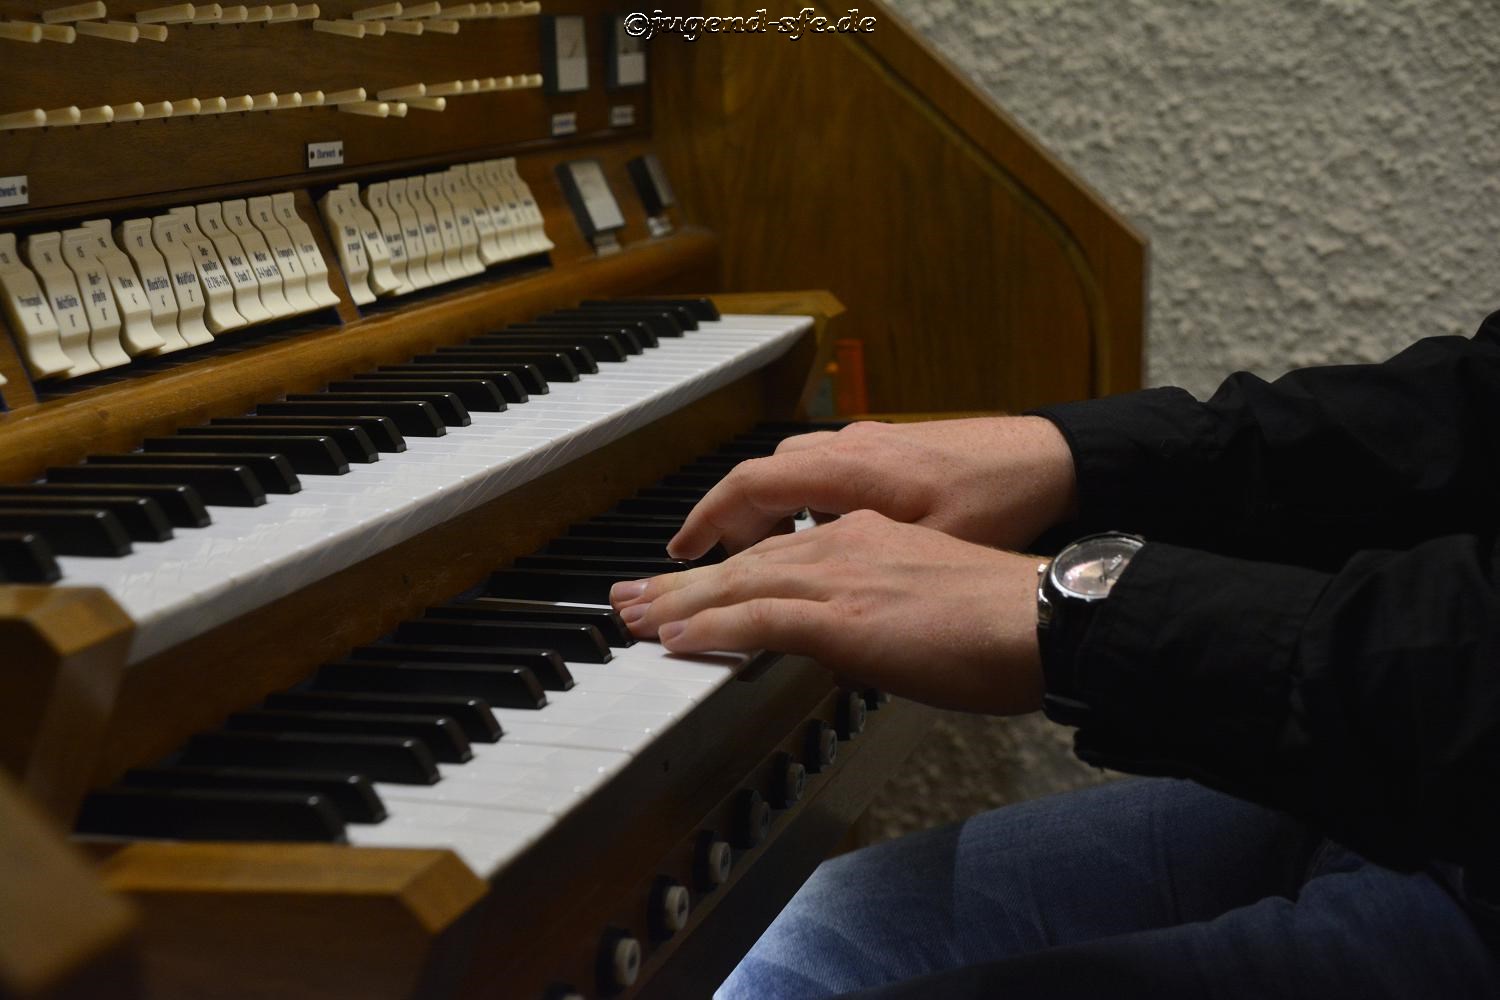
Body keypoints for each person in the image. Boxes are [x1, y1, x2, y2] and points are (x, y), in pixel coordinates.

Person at [607, 312, 1500, 998]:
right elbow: (1472, 405)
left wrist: (1078, 612)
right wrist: (1069, 456)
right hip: (1414, 789)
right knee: (789, 951)